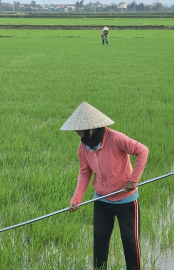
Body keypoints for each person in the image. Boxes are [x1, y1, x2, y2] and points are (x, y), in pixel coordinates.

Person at [61, 102, 149, 270]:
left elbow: (142, 151)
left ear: (90, 129)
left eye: (79, 130)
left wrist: (133, 179)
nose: (77, 133)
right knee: (100, 243)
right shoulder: (83, 147)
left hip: (126, 201)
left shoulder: (116, 138)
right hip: (102, 200)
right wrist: (76, 199)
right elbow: (85, 172)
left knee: (130, 242)